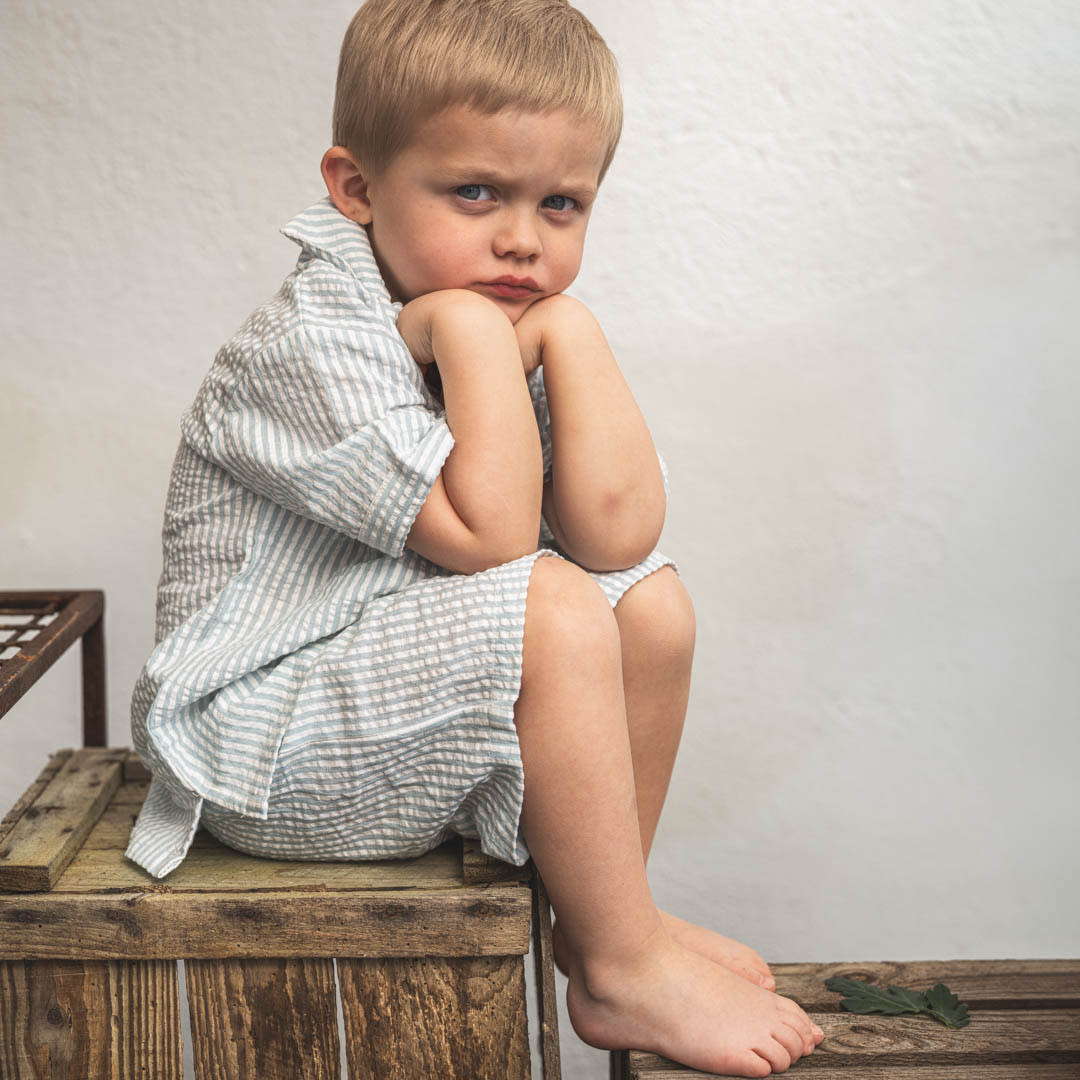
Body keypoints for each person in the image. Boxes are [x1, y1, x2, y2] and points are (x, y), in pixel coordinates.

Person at [124, 0, 824, 1072]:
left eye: (562, 204)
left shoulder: (508, 317)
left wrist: (570, 333)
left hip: (384, 720)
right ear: (357, 187)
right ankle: (626, 963)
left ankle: (604, 928)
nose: (521, 239)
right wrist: (464, 331)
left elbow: (618, 530)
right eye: (478, 193)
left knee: (651, 602)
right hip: (259, 748)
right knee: (545, 600)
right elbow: (497, 541)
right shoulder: (309, 343)